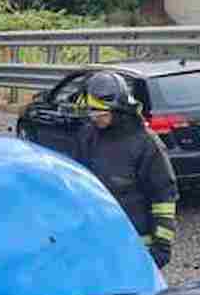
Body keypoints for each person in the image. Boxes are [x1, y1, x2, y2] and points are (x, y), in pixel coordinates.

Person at [72, 71, 178, 268]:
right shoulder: (88, 135)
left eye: (99, 112)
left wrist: (162, 245)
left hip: (136, 245)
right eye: (90, 112)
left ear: (118, 109)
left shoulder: (146, 143)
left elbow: (163, 197)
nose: (94, 118)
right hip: (100, 241)